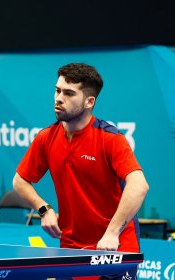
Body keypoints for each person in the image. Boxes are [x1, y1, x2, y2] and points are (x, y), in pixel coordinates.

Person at [13, 63, 149, 279]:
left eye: (68, 93)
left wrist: (113, 232)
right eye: (57, 90)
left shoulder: (110, 139)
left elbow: (139, 185)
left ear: (89, 101)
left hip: (114, 247)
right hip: (71, 249)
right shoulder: (46, 137)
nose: (58, 98)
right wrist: (44, 209)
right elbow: (20, 180)